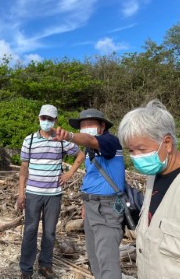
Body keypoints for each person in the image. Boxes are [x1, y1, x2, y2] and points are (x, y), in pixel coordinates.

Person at [117, 99, 180, 278]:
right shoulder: (154, 176)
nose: (136, 157)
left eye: (141, 149)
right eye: (131, 151)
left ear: (167, 143)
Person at [54, 108, 125, 279]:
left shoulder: (110, 141)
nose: (86, 127)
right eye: (83, 125)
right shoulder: (89, 151)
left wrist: (70, 136)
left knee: (107, 261)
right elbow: (92, 176)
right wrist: (85, 204)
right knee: (94, 258)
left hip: (107, 207)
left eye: (90, 124)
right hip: (91, 205)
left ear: (102, 126)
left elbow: (89, 139)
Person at [17, 104, 84, 279]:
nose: (46, 121)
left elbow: (80, 155)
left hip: (53, 194)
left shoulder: (62, 141)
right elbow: (23, 168)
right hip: (33, 193)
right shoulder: (29, 140)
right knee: (30, 230)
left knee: (49, 232)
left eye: (50, 119)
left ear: (55, 120)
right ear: (39, 118)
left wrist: (69, 173)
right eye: (43, 118)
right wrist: (21, 194)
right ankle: (26, 269)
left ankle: (45, 266)